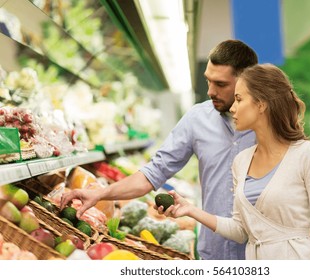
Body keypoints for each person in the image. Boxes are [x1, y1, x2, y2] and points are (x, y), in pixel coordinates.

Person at [60, 39, 259, 260]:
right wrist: (99, 194)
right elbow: (153, 173)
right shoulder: (198, 119)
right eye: (208, 81)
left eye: (220, 84)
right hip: (213, 253)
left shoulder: (270, 125)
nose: (210, 91)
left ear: (246, 82)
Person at [159, 63, 310, 260]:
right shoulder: (241, 162)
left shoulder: (307, 155)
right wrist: (191, 210)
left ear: (261, 104)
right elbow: (241, 230)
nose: (232, 108)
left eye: (239, 99)